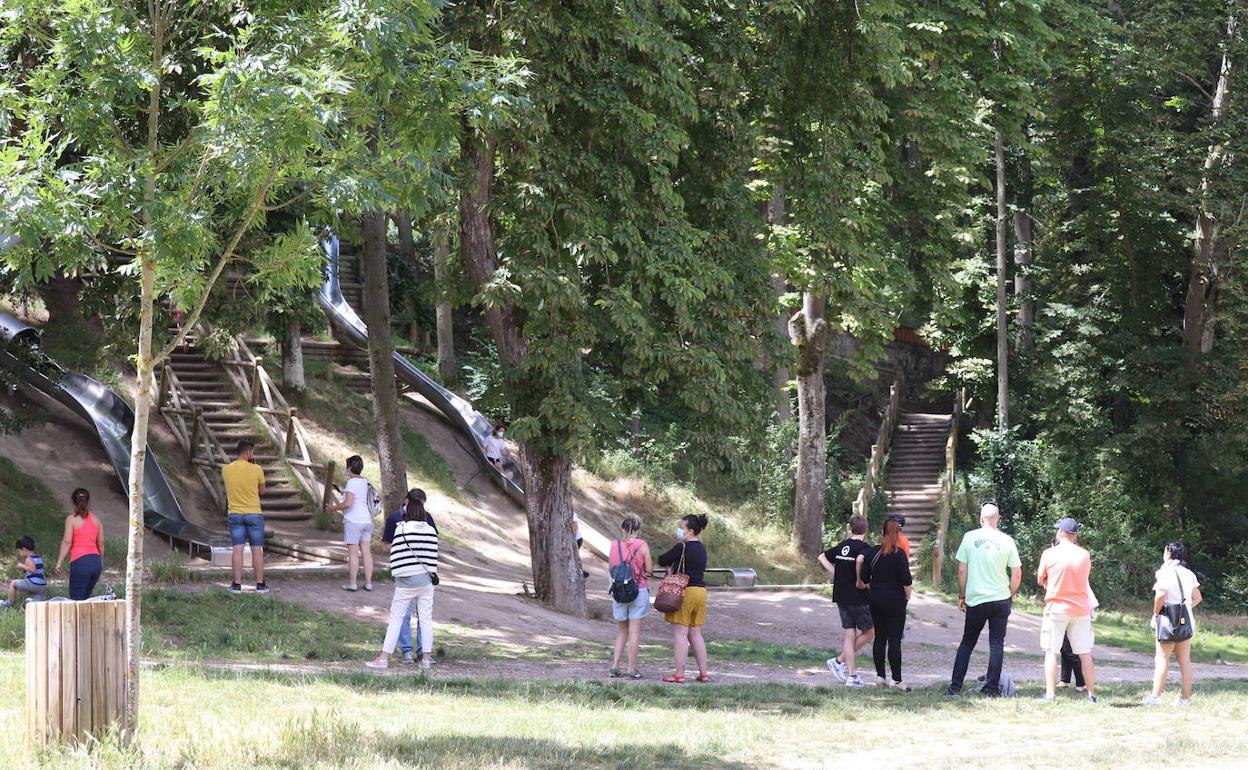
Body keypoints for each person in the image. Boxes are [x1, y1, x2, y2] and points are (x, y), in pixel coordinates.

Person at [947, 502, 1022, 697]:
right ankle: (991, 689)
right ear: (997, 519)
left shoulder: (969, 538)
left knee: (967, 643)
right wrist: (1011, 594)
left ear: (981, 518)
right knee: (996, 644)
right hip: (1000, 599)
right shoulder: (1007, 540)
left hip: (976, 599)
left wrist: (962, 595)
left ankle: (955, 687)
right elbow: (1017, 573)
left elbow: (962, 570)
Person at [367, 489, 439, 670]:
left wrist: (399, 574)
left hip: (406, 582)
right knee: (425, 619)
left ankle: (384, 658)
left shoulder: (401, 529)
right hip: (426, 581)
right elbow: (432, 554)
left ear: (408, 506)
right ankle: (426, 660)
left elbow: (396, 555)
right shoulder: (430, 529)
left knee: (396, 618)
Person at [1037, 518, 1097, 703]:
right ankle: (1091, 694)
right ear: (1075, 535)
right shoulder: (1084, 555)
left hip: (1056, 607)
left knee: (1051, 651)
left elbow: (1041, 578)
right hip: (1080, 609)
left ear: (1061, 533)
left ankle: (1050, 694)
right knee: (1085, 652)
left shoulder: (1049, 553)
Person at [1142, 541, 1203, 706]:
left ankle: (1155, 697)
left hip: (1168, 619)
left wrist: (1155, 613)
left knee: (1162, 658)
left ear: (1168, 553)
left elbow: (1160, 595)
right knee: (1185, 660)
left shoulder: (1165, 572)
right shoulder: (1188, 573)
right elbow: (1197, 597)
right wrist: (1186, 607)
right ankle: (1185, 699)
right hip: (1186, 619)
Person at [818, 515, 875, 688]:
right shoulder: (865, 549)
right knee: (871, 631)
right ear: (866, 530)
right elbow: (863, 565)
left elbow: (822, 557)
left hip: (841, 595)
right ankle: (840, 661)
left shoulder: (843, 546)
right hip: (858, 596)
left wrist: (836, 573)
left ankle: (851, 675)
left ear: (850, 528)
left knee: (850, 633)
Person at [657, 513, 710, 684]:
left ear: (690, 531)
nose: (679, 531)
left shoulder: (682, 547)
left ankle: (679, 674)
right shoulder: (702, 548)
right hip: (701, 592)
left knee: (680, 633)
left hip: (685, 592)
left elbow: (662, 559)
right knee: (695, 633)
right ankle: (704, 673)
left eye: (682, 528)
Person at [862, 518, 913, 691]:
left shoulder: (873, 552)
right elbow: (907, 580)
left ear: (882, 531)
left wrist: (874, 588)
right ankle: (897, 680)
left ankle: (880, 677)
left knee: (880, 638)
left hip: (875, 599)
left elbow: (863, 577)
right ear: (898, 533)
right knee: (894, 640)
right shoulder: (899, 555)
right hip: (895, 600)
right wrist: (907, 597)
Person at [608, 514, 652, 679]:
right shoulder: (642, 545)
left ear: (623, 528)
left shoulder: (613, 545)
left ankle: (614, 667)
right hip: (638, 590)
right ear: (638, 529)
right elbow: (649, 569)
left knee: (621, 632)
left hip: (619, 592)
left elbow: (611, 568)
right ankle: (632, 669)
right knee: (634, 632)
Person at [221, 439, 268, 594]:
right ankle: (260, 585)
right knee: (256, 550)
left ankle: (236, 584)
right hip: (254, 514)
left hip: (235, 514)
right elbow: (262, 492)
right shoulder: (257, 469)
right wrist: (253, 465)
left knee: (237, 549)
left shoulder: (226, 469)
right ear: (249, 452)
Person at [326, 455, 375, 592]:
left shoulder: (351, 482)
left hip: (354, 520)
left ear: (349, 468)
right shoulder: (365, 481)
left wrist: (332, 508)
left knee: (353, 553)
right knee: (366, 552)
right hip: (366, 519)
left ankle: (353, 583)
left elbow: (348, 503)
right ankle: (368, 583)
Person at [54, 488, 105, 600]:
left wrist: (59, 562)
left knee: (76, 600)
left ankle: (77, 618)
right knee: (87, 599)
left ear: (73, 501)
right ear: (88, 501)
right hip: (95, 562)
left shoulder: (71, 520)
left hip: (80, 562)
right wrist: (100, 560)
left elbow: (67, 541)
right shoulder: (96, 520)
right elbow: (101, 542)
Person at [3, 535, 47, 607]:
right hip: (41, 586)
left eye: (19, 550)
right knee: (37, 602)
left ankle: (9, 603)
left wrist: (21, 565)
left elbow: (33, 570)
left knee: (13, 583)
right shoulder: (38, 557)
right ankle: (31, 602)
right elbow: (39, 571)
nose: (19, 552)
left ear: (24, 549)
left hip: (32, 584)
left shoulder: (29, 558)